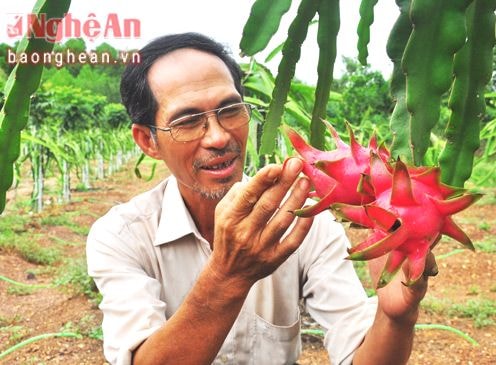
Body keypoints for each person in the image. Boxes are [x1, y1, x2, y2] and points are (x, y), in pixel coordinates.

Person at [86, 32, 437, 365]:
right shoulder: (121, 237)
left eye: (230, 110)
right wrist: (228, 275)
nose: (219, 137)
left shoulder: (306, 222)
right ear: (147, 141)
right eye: (189, 120)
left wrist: (395, 318)